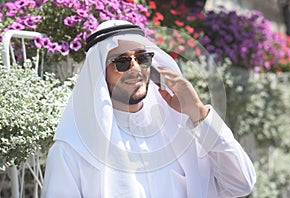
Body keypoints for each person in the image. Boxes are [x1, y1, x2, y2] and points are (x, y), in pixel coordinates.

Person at [41, 20, 256, 198]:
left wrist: (199, 113)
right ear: (98, 74)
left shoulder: (184, 129)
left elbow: (241, 184)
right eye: (122, 62)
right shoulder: (73, 150)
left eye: (142, 59)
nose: (135, 69)